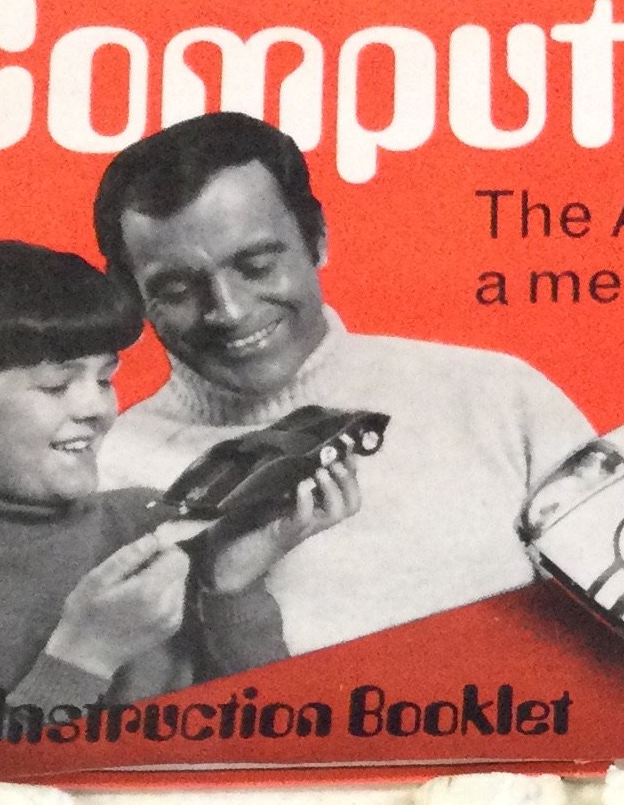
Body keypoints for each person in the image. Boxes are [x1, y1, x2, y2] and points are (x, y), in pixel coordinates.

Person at [0, 240, 354, 770]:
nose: (98, 409)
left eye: (104, 379)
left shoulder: (147, 518)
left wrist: (232, 590)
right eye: (56, 386)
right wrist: (82, 658)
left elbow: (278, 743)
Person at [88, 111, 595, 657]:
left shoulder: (499, 397)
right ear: (132, 296)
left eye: (257, 266)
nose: (229, 311)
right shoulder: (97, 473)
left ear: (318, 239)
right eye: (177, 290)